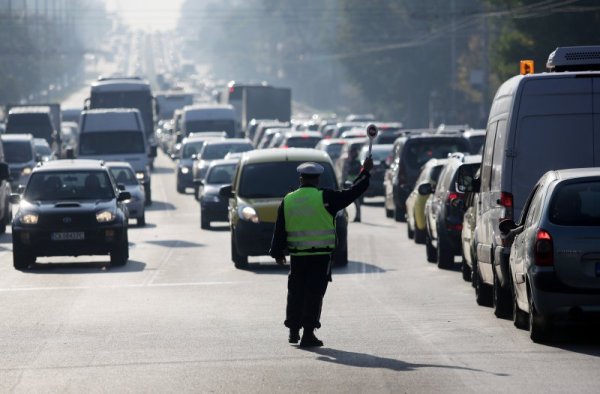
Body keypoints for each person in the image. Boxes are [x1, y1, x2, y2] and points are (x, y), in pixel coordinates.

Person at [269, 157, 373, 347]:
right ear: (317, 180)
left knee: (296, 292)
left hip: (298, 257)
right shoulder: (326, 198)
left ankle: (293, 331)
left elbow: (280, 228)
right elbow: (352, 193)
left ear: (301, 179)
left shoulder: (289, 199)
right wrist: (365, 173)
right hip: (320, 257)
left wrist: (277, 252)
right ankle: (308, 333)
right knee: (314, 294)